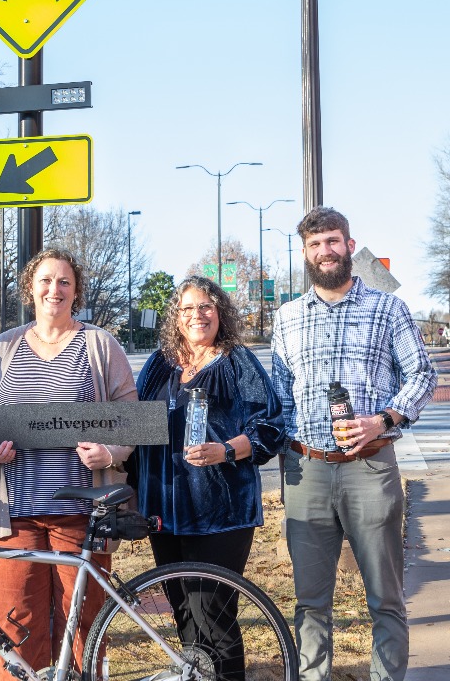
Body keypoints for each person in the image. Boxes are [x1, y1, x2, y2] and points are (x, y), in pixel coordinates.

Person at [270, 208, 437, 681]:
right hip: (308, 470)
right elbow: (280, 395)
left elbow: (423, 374)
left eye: (333, 241)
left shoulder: (388, 309)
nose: (325, 251)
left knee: (385, 597)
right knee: (310, 603)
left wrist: (382, 420)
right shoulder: (287, 318)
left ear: (349, 244)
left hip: (371, 467)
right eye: (315, 244)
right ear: (304, 253)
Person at [0, 248, 137, 681]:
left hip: (82, 509)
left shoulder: (99, 344)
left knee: (83, 620)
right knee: (15, 623)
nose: (55, 289)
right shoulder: (1, 349)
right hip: (16, 513)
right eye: (46, 280)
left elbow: (130, 415)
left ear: (76, 290)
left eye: (64, 282)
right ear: (30, 288)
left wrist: (111, 451)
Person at [126, 275, 285, 681]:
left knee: (213, 614)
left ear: (220, 313)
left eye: (206, 307)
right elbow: (134, 421)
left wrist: (227, 450)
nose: (198, 315)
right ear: (175, 318)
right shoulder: (161, 363)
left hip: (219, 511)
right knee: (182, 610)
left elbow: (270, 426)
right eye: (188, 309)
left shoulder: (235, 361)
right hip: (164, 509)